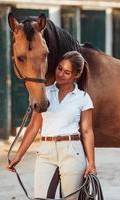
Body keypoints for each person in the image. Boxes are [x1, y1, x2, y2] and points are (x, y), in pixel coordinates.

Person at [6, 51, 96, 200]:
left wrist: (91, 163)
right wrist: (18, 155)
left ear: (76, 75)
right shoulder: (44, 94)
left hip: (72, 151)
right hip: (46, 152)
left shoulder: (83, 98)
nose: (60, 74)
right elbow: (34, 126)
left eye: (67, 72)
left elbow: (87, 131)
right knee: (40, 198)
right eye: (59, 68)